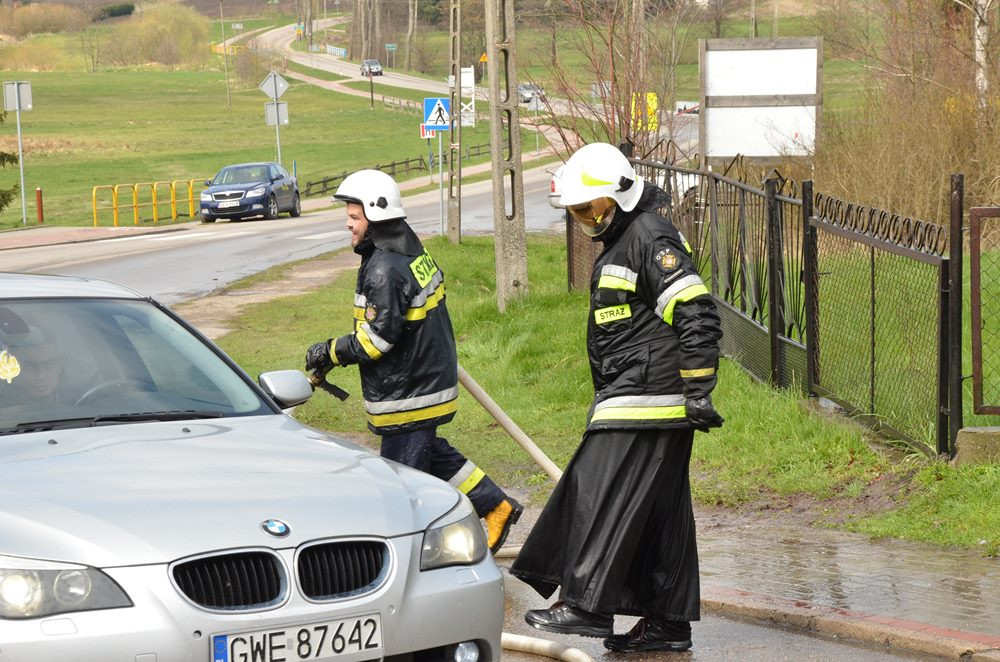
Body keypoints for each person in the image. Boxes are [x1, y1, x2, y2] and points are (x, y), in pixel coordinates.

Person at [509, 142, 724, 653]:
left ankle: (586, 606)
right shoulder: (626, 239)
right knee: (661, 515)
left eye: (591, 207)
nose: (584, 219)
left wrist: (697, 389)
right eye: (578, 211)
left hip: (646, 398)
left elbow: (696, 312)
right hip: (640, 395)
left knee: (596, 492)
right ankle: (668, 622)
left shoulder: (649, 237)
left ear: (621, 195)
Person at [304, 169, 522, 553]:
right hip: (427, 380)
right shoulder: (410, 249)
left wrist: (330, 351)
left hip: (408, 391)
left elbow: (376, 341)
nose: (347, 224)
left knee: (403, 487)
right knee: (434, 455)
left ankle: (418, 558)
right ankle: (495, 504)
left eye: (354, 217)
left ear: (375, 217)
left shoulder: (384, 268)